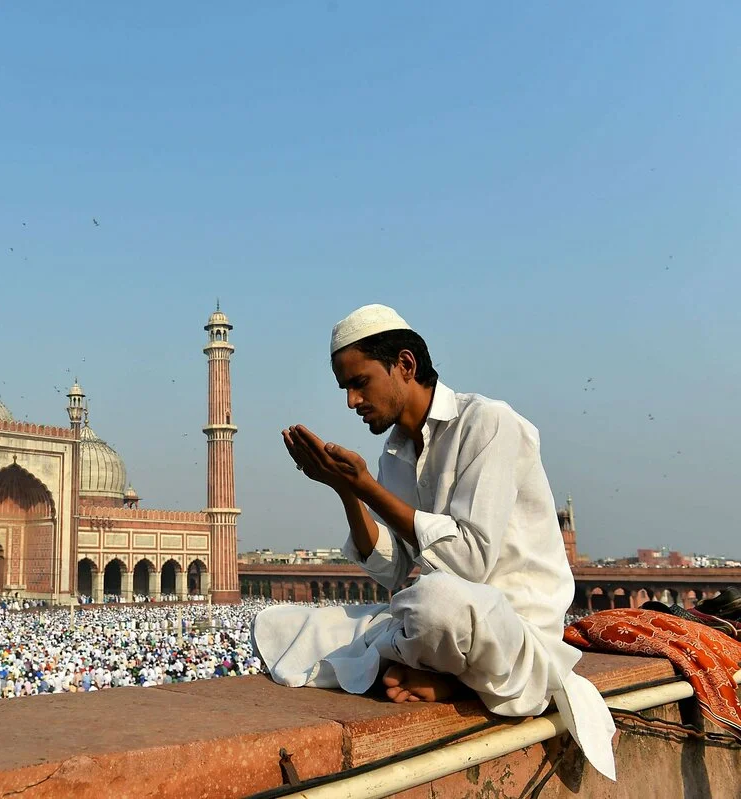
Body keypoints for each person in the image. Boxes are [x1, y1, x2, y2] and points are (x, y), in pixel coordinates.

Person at [253, 303, 616, 779]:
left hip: (504, 623)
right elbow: (399, 569)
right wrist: (348, 493)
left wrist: (367, 488)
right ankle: (438, 673)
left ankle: (450, 683)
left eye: (360, 382)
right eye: (345, 388)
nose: (351, 401)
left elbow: (468, 560)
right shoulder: (395, 455)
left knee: (435, 601)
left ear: (404, 365)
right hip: (436, 616)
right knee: (280, 624)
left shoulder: (487, 424)